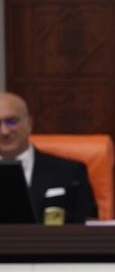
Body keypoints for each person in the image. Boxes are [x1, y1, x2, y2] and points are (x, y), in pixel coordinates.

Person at [0, 92, 98, 224]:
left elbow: (87, 226)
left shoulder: (70, 172)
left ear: (29, 123)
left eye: (12, 121)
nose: (5, 131)